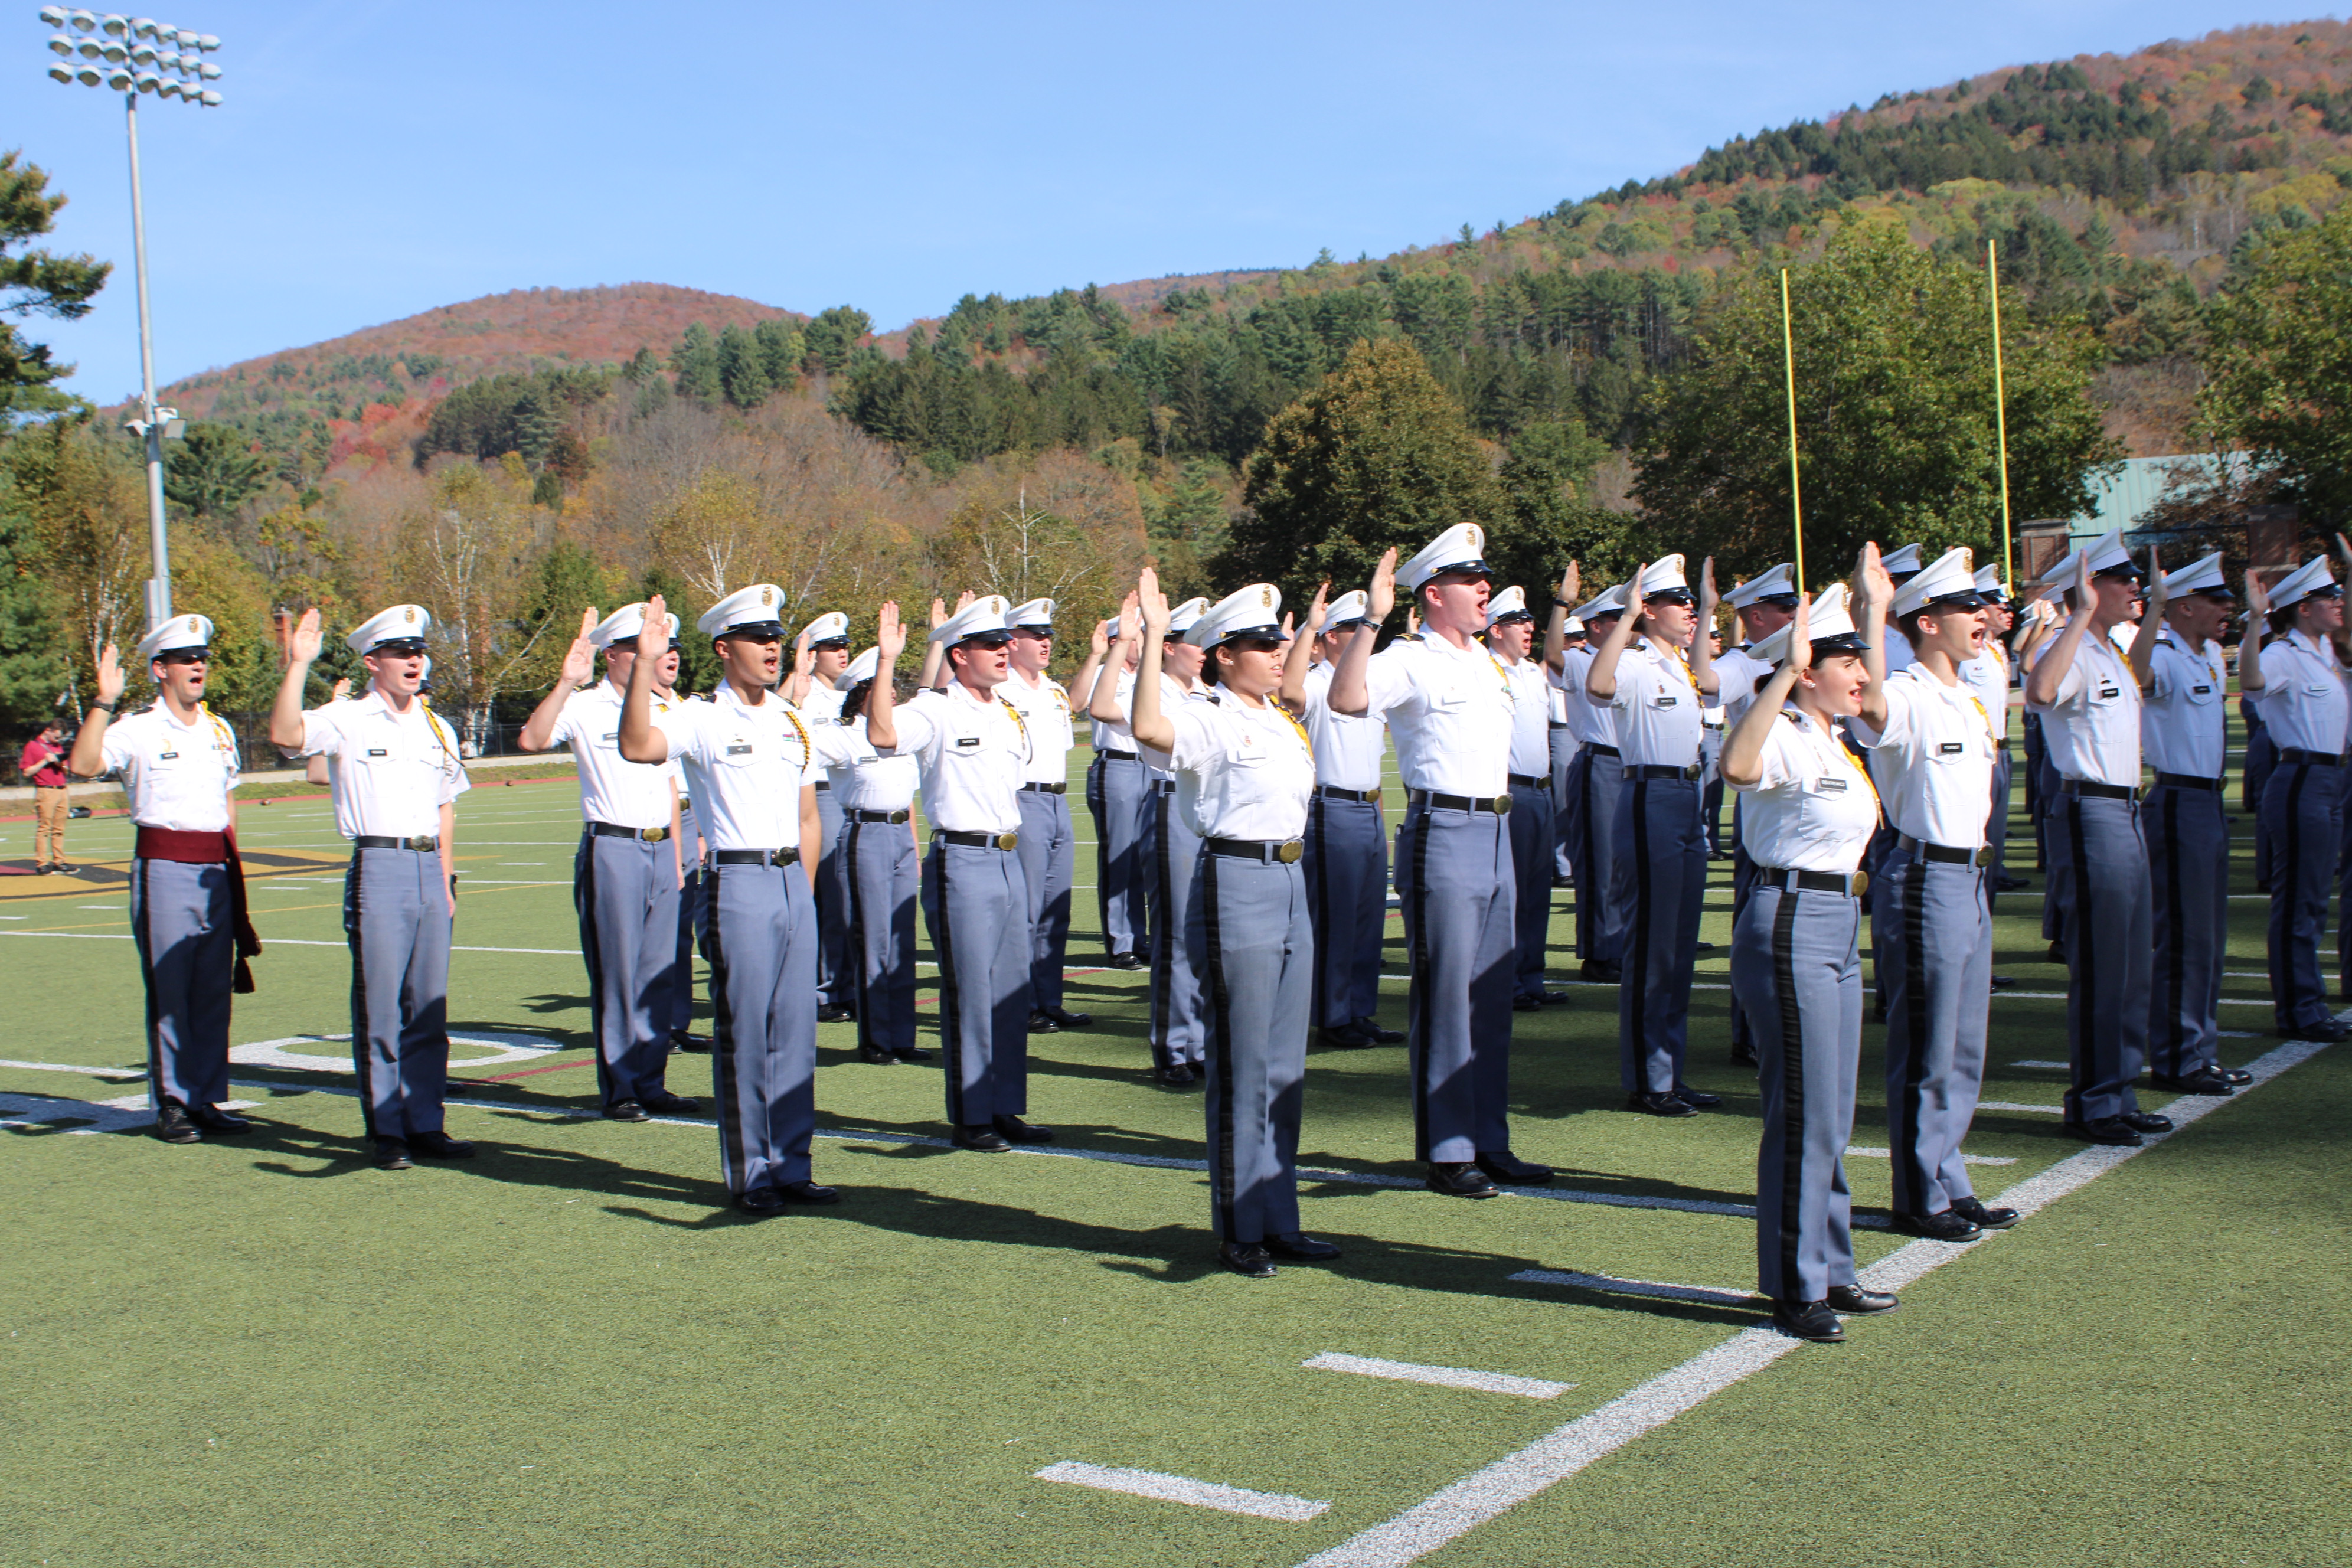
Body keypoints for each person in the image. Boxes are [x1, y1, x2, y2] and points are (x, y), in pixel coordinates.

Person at [1126, 574, 1342, 1276]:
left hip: (1288, 880)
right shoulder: (1210, 715)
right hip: (1236, 879)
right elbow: (1149, 729)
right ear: (1222, 654)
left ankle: (1280, 1217)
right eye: (1261, 643)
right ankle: (1239, 1224)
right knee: (1243, 1062)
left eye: (1279, 641)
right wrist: (1157, 636)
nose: (1278, 652)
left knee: (1284, 1067)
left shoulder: (1278, 715)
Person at [1329, 525, 1552, 1197]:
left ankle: (1491, 1137)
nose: (1486, 588)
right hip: (1445, 828)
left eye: (1486, 578)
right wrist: (1371, 618)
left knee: (1490, 995)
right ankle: (1449, 1148)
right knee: (1450, 994)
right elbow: (1347, 700)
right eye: (1471, 581)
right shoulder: (1411, 657)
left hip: (1496, 829)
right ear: (1433, 594)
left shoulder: (1487, 661)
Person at [1720, 580, 1901, 1342]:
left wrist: (1874, 611)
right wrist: (1786, 673)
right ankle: (1796, 1284)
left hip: (1836, 920)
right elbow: (1736, 765)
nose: (1862, 676)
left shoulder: (1836, 739)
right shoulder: (1786, 733)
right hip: (1789, 917)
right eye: (1848, 663)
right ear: (1808, 670)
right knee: (1801, 1112)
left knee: (1830, 1110)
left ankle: (1831, 1266)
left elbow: (1882, 707)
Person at [618, 584, 837, 1212]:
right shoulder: (702, 716)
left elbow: (808, 815)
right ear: (724, 648)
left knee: (795, 1032)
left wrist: (806, 889)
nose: (772, 648)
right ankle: (753, 1173)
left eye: (775, 637)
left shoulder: (791, 717)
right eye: (757, 638)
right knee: (746, 1032)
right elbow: (638, 745)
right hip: (738, 881)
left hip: (794, 881)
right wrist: (641, 665)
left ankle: (794, 1163)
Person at [272, 603, 473, 1172]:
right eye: (401, 653)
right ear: (372, 662)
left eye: (419, 651)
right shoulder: (347, 718)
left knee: (429, 1008)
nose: (414, 661)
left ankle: (426, 1122)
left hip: (429, 868)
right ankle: (387, 1129)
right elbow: (286, 734)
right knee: (381, 1008)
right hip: (380, 865)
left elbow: (445, 805)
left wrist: (446, 877)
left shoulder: (438, 725)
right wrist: (297, 666)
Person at [1848, 547, 2010, 1237]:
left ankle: (1949, 1173)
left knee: (1964, 1043)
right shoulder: (1909, 692)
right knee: (1926, 1042)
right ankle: (1919, 1191)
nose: (1982, 617)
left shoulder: (1966, 698)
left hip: (1970, 876)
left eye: (1980, 606)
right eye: (1965, 608)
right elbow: (1875, 705)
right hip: (1924, 877)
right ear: (1926, 622)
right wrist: (1872, 607)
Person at [868, 594, 1051, 1151]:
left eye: (1004, 642)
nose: (1003, 651)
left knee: (1010, 992)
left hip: (1007, 856)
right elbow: (882, 735)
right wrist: (884, 662)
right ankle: (972, 1115)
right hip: (964, 860)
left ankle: (1005, 1106)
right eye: (990, 645)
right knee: (971, 992)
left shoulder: (1007, 709)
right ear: (959, 655)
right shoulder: (936, 709)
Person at [68, 615, 259, 1144]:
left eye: (202, 658)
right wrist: (104, 701)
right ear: (161, 669)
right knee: (172, 989)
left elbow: (226, 804)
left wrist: (231, 868)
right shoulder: (137, 729)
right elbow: (84, 765)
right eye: (185, 660)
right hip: (165, 868)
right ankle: (174, 1101)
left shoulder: (219, 729)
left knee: (213, 991)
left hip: (215, 871)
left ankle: (206, 1097)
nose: (198, 666)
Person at [516, 603, 700, 1123]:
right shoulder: (585, 705)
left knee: (659, 972)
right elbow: (531, 739)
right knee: (618, 975)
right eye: (644, 646)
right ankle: (621, 1085)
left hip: (664, 846)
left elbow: (668, 781)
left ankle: (652, 1082)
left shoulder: (662, 708)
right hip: (613, 847)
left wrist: (678, 855)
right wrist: (564, 681)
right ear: (615, 654)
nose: (658, 655)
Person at [2026, 531, 2172, 1148]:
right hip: (2091, 813)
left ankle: (2119, 1088)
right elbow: (2038, 692)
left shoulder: (2109, 652)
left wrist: (2157, 607)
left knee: (2135, 962)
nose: (2134, 587)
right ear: (2088, 589)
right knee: (2105, 963)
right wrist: (2077, 613)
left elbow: (2136, 676)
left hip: (2128, 812)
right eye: (2123, 580)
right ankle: (2092, 1098)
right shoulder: (2074, 649)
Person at [1586, 554, 1722, 1117]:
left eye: (1691, 602)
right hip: (1649, 796)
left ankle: (1671, 1068)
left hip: (1686, 797)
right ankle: (1649, 1077)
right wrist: (1627, 617)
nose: (1689, 610)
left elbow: (1713, 679)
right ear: (1649, 610)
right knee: (1652, 944)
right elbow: (1598, 685)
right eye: (1679, 602)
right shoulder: (1637, 665)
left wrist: (1710, 612)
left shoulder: (1682, 668)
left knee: (1680, 943)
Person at [2138, 551, 2252, 1095]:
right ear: (2183, 607)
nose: (2225, 609)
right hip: (2179, 800)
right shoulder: (2163, 656)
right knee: (2184, 936)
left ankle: (2199, 1048)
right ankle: (2178, 1056)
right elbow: (2136, 676)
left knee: (2209, 937)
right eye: (2216, 600)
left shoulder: (2207, 655)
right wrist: (2151, 614)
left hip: (2208, 801)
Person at [1093, 595, 1214, 1086]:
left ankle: (1201, 1043)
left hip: (1207, 810)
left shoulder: (1203, 693)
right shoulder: (1154, 689)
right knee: (1177, 935)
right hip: (1168, 805)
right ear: (1168, 647)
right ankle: (1173, 1048)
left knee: (1204, 934)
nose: (1203, 651)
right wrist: (1124, 643)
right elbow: (1101, 708)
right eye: (1193, 642)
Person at [2238, 554, 2351, 1044]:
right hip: (2302, 777)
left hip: (2329, 779)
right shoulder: (2284, 653)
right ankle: (2299, 1008)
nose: (2339, 603)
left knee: (2315, 900)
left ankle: (2308, 1003)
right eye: (2331, 597)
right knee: (2300, 902)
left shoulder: (2324, 649)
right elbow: (2252, 682)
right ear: (2304, 608)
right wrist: (2256, 620)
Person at [1283, 587, 1401, 1050]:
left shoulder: (1366, 681)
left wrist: (1379, 810)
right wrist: (1308, 628)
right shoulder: (1316, 680)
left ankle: (1359, 1009)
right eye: (1352, 629)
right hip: (1330, 808)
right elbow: (1289, 693)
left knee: (1369, 918)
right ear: (1333, 637)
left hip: (1367, 807)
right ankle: (1333, 1016)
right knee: (1335, 920)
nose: (1361, 638)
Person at [812, 646, 930, 1066]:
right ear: (864, 691)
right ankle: (877, 1038)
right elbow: (800, 761)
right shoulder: (840, 734)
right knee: (874, 941)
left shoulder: (900, 732)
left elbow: (907, 796)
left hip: (899, 834)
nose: (893, 695)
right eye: (884, 686)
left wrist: (914, 847)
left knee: (901, 941)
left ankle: (903, 1035)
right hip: (865, 833)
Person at [1715, 562, 1802, 1065]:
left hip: (1802, 806)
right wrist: (1707, 611)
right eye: (1784, 607)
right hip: (1764, 810)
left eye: (1793, 605)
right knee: (1757, 921)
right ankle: (1748, 1031)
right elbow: (1704, 682)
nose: (1792, 614)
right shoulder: (1743, 664)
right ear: (1755, 616)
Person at [998, 597, 1096, 1034]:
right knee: (1028, 910)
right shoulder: (1001, 691)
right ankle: (1021, 1002)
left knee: (1057, 910)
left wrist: (1096, 655)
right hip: (1024, 800)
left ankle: (1049, 999)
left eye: (1048, 635)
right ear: (1011, 641)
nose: (1045, 642)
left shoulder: (1054, 691)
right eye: (1035, 635)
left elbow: (1075, 703)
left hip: (1058, 802)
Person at [1486, 585, 1570, 1010]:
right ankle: (1511, 982)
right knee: (1514, 894)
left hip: (1540, 792)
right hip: (1511, 791)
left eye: (1530, 621)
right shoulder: (1488, 672)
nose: (1529, 628)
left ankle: (1531, 977)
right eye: (1520, 622)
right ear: (1497, 629)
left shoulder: (1531, 674)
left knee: (1538, 892)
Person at [1550, 579, 1627, 982]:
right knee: (1600, 862)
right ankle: (1599, 952)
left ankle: (1622, 940)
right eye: (1618, 618)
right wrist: (1563, 604)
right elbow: (1552, 654)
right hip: (1601, 763)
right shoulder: (1581, 660)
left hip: (1633, 768)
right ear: (1596, 625)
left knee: (1627, 862)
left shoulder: (1634, 661)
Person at [1079, 614, 1153, 971]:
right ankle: (1120, 942)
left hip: (1148, 767)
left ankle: (1139, 938)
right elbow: (1089, 705)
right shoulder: (1103, 675)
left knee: (1141, 859)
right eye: (1136, 635)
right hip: (1118, 764)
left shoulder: (1149, 676)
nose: (1142, 641)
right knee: (1118, 859)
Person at [794, 610, 855, 1022]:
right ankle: (825, 989)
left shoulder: (850, 693)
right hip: (817, 797)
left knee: (847, 898)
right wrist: (795, 674)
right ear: (813, 655)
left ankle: (842, 982)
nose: (842, 653)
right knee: (828, 899)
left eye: (844, 645)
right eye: (832, 647)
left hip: (850, 796)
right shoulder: (805, 694)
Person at [21, 717, 73, 873]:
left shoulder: (57, 746)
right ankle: (42, 863)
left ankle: (59, 861)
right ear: (48, 730)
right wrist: (44, 761)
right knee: (45, 828)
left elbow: (67, 770)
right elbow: (26, 772)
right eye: (56, 736)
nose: (58, 740)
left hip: (62, 789)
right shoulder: (32, 746)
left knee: (59, 829)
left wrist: (61, 764)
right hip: (46, 790)